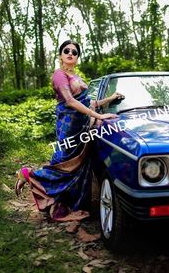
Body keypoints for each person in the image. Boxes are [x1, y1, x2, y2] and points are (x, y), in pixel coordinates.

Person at [15, 40, 123, 222]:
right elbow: (70, 101)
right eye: (67, 50)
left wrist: (109, 99)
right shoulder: (59, 74)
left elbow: (88, 103)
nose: (70, 53)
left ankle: (65, 206)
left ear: (77, 57)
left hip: (81, 126)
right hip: (68, 127)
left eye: (75, 51)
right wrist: (100, 116)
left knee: (78, 167)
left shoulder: (78, 77)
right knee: (64, 165)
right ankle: (28, 174)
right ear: (60, 55)